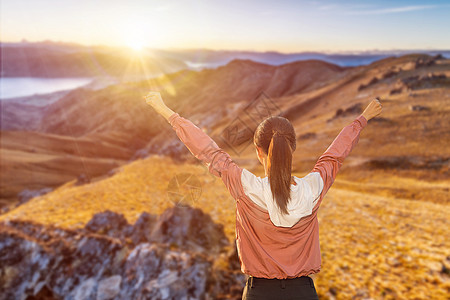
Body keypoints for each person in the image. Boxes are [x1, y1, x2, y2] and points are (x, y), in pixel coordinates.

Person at [145, 91, 382, 300]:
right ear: (293, 149)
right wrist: (362, 120)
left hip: (259, 293)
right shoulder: (313, 188)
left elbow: (208, 151)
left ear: (259, 152)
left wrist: (166, 112)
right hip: (303, 293)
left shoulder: (245, 187)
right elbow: (334, 156)